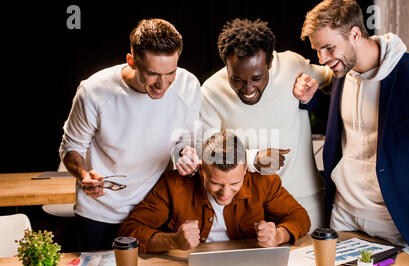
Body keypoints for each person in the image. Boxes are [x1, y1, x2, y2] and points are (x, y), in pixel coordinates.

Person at [294, 0, 409, 255]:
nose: (323, 59)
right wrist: (310, 98)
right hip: (343, 212)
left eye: (329, 48)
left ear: (355, 33)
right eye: (318, 50)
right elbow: (345, 120)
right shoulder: (343, 72)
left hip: (396, 219)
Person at [59, 19, 201, 251]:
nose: (162, 85)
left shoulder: (188, 85)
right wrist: (84, 175)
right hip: (101, 211)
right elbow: (70, 148)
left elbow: (185, 140)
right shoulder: (94, 91)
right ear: (132, 61)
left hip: (156, 208)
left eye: (170, 73)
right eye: (153, 74)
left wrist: (188, 153)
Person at [199, 18, 333, 233]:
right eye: (237, 80)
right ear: (226, 64)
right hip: (248, 207)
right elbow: (204, 151)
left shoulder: (292, 65)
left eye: (257, 77)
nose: (248, 88)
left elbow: (336, 76)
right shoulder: (211, 91)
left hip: (305, 199)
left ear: (270, 62)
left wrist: (312, 89)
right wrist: (252, 160)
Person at [118, 131, 311, 253]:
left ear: (245, 170)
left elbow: (300, 217)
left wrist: (279, 235)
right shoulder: (175, 184)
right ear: (201, 169)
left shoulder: (264, 182)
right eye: (215, 183)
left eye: (235, 182)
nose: (225, 193)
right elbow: (130, 231)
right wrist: (173, 241)